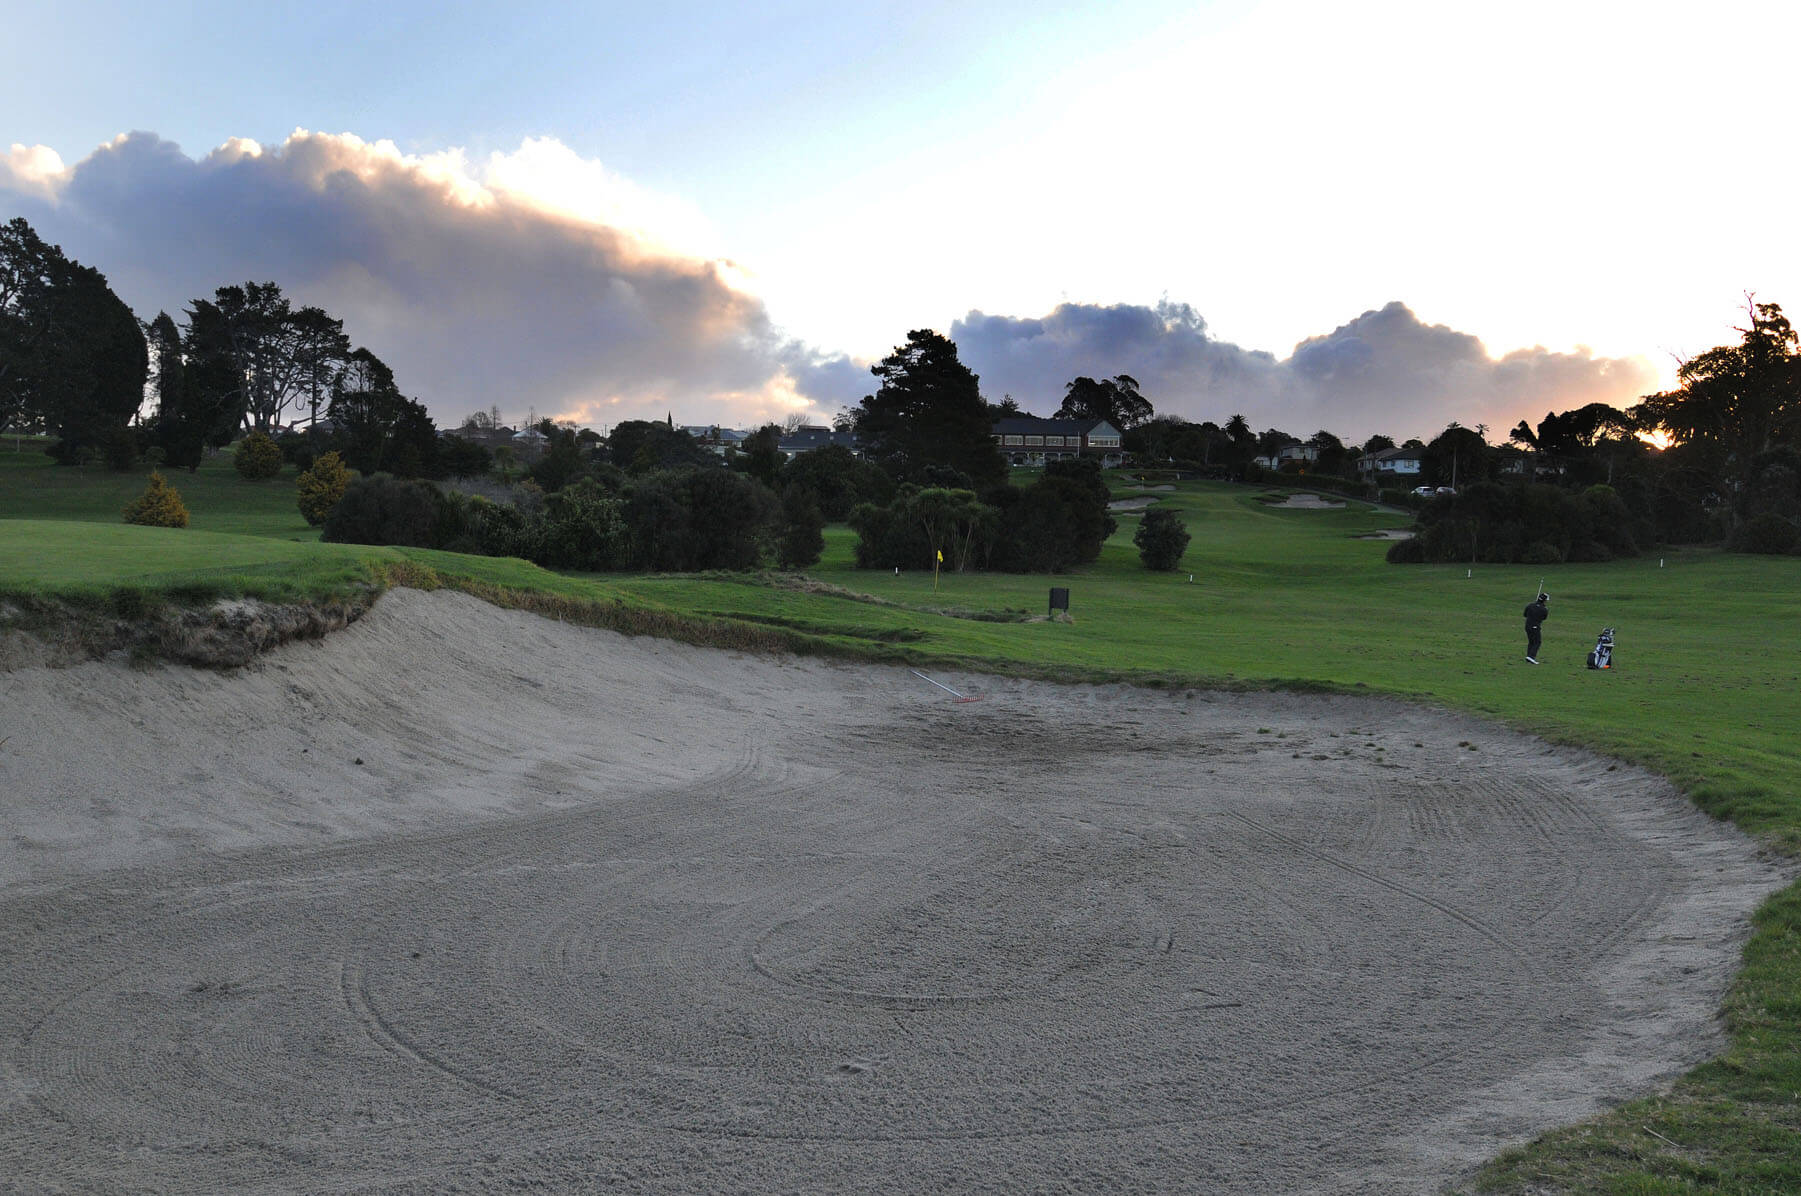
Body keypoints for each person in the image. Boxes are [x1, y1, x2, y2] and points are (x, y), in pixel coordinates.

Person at [1522, 591, 1549, 664]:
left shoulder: (1530, 605)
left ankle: (1528, 657)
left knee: (1531, 642)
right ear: (1544, 600)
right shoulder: (1544, 609)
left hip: (1527, 626)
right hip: (1535, 627)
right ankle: (1531, 657)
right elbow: (1544, 618)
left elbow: (1525, 615)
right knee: (1537, 642)